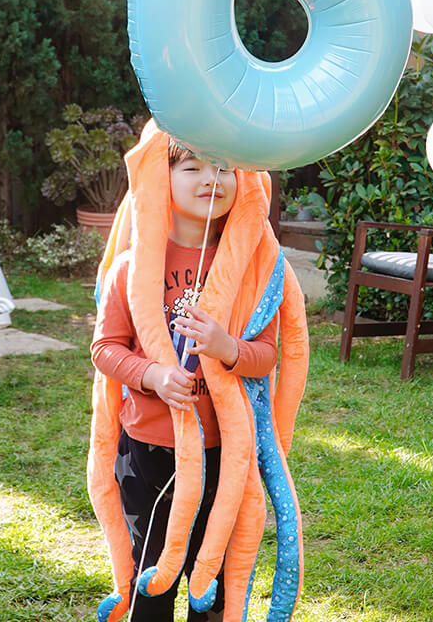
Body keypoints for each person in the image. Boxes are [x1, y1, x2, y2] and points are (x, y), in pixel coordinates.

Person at [89, 131, 295, 622]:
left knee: (216, 580)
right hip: (150, 449)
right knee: (153, 578)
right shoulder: (131, 267)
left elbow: (266, 354)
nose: (212, 179)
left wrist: (228, 349)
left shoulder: (250, 269)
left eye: (224, 168)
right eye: (194, 167)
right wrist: (153, 376)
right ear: (164, 177)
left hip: (223, 450)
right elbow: (105, 348)